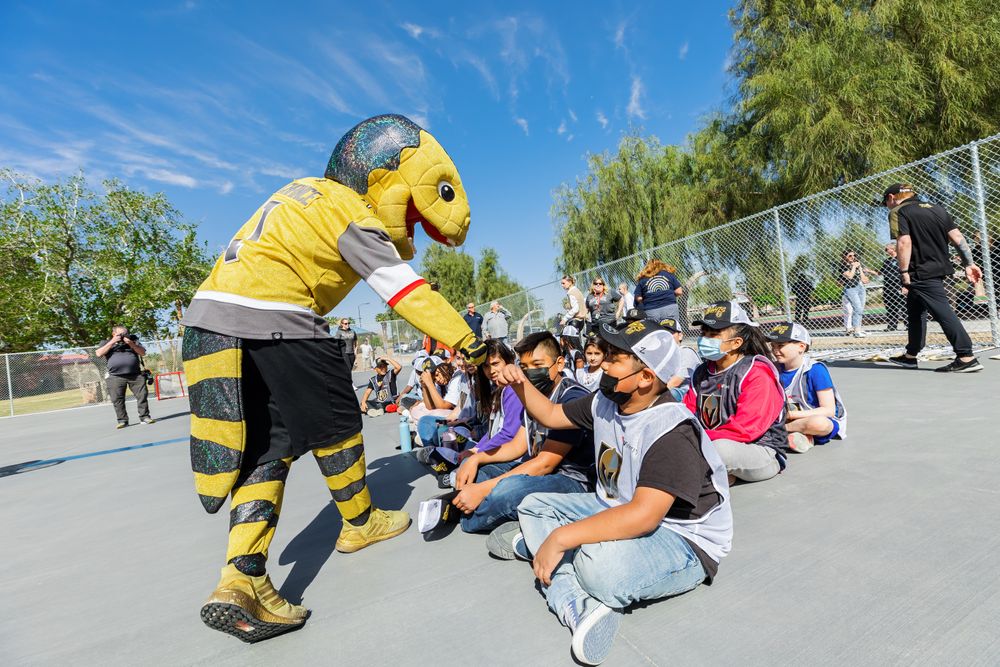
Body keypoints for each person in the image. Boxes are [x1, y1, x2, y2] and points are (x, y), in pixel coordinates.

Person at [180, 114, 486, 641]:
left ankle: (240, 578)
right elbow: (404, 289)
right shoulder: (350, 209)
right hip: (276, 319)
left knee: (264, 451)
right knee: (339, 423)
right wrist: (468, 341)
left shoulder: (303, 193)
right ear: (385, 174)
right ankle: (360, 522)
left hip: (208, 318)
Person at [488, 319, 732, 666]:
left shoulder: (672, 430)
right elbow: (552, 414)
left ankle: (544, 553)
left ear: (646, 377)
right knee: (533, 505)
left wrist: (559, 539)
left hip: (683, 540)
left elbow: (645, 516)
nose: (601, 363)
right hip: (617, 505)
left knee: (600, 567)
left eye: (614, 358)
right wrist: (521, 383)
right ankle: (575, 600)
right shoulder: (605, 400)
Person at [419, 332, 594, 535]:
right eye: (525, 367)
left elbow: (545, 463)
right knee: (480, 472)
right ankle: (504, 514)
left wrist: (483, 490)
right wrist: (476, 459)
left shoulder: (571, 396)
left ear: (560, 363)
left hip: (571, 479)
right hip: (539, 469)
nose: (530, 373)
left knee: (507, 491)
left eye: (538, 365)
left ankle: (470, 517)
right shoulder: (535, 394)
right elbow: (517, 446)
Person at [878, 183, 984, 372]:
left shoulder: (898, 212)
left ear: (892, 197)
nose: (887, 206)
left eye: (886, 202)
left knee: (943, 312)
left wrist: (903, 272)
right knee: (915, 311)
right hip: (939, 267)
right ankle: (911, 355)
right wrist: (969, 263)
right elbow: (957, 237)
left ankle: (966, 355)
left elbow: (903, 242)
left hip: (920, 271)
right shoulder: (937, 209)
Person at [684, 301, 788, 484]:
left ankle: (716, 474)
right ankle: (721, 475)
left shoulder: (755, 372)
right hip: (709, 442)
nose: (705, 339)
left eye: (714, 334)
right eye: (704, 333)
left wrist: (696, 440)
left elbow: (746, 429)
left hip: (761, 451)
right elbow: (687, 412)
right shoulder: (701, 372)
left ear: (736, 343)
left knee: (720, 450)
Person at [766, 322, 847, 453]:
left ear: (801, 347)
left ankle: (777, 432)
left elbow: (828, 410)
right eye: (773, 346)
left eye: (780, 346)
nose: (775, 350)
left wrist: (791, 414)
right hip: (786, 416)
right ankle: (800, 436)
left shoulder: (815, 370)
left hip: (811, 417)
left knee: (819, 424)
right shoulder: (772, 368)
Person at [95, 325, 155, 429]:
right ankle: (122, 420)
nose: (124, 336)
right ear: (113, 334)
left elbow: (143, 353)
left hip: (135, 375)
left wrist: (131, 344)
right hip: (115, 376)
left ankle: (145, 417)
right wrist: (113, 341)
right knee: (117, 399)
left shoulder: (133, 340)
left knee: (142, 396)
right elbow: (99, 353)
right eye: (120, 334)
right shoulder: (106, 342)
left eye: (125, 333)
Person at [837, 249, 877, 337]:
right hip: (850, 288)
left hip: (860, 287)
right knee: (857, 309)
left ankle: (858, 329)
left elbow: (863, 279)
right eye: (850, 255)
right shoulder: (842, 266)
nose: (852, 257)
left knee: (861, 310)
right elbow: (850, 276)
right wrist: (854, 267)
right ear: (845, 257)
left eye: (854, 255)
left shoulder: (857, 264)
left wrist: (860, 269)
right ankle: (856, 331)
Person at [659, 318, 701, 402]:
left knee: (672, 393)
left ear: (680, 335)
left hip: (689, 392)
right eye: (664, 334)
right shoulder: (662, 355)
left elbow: (676, 382)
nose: (667, 337)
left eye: (670, 333)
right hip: (670, 390)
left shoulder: (686, 351)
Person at [878, 242, 906, 331]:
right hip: (888, 287)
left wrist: (905, 286)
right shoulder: (886, 261)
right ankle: (892, 326)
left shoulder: (901, 259)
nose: (885, 251)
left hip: (898, 285)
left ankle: (908, 325)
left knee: (903, 306)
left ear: (893, 249)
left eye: (887, 249)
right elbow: (881, 272)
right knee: (890, 306)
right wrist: (869, 271)